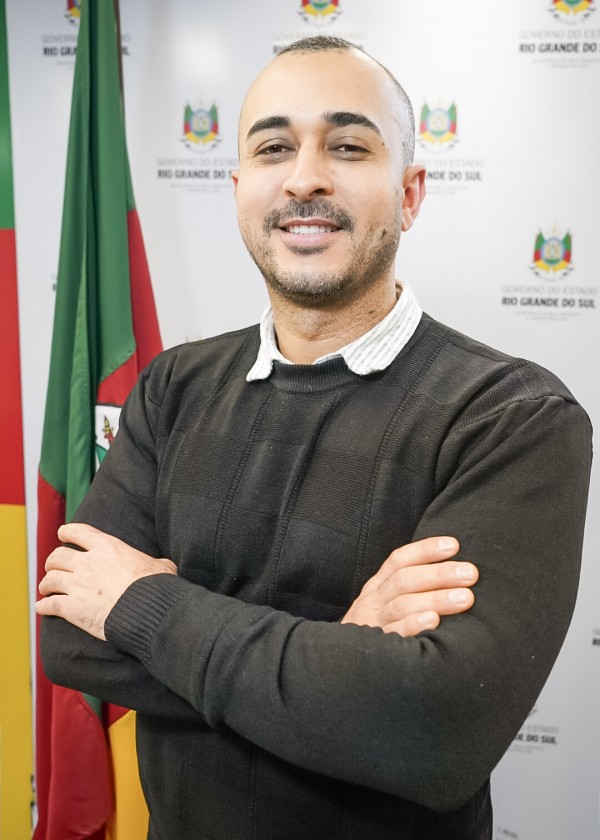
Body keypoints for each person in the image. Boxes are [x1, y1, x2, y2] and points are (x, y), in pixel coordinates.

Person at [37, 36, 592, 840]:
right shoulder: (171, 388)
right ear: (239, 190)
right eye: (273, 148)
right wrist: (340, 659)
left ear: (409, 194)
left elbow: (434, 731)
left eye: (348, 146)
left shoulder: (511, 417)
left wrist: (141, 609)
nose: (305, 178)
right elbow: (68, 641)